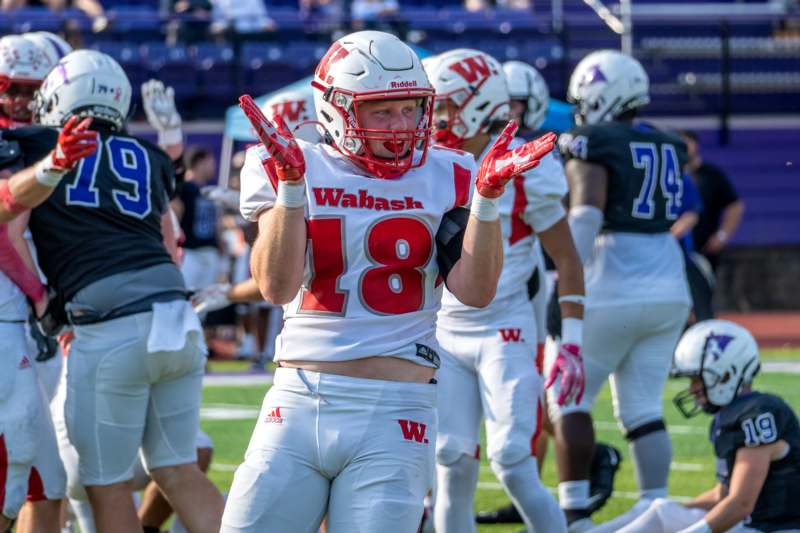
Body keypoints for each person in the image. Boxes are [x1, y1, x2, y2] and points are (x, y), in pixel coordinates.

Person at [222, 30, 557, 532]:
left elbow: (476, 291)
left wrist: (486, 202)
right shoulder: (297, 164)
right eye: (382, 111)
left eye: (410, 108)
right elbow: (276, 286)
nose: (401, 125)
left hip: (396, 410)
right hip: (296, 398)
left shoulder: (451, 172)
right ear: (335, 109)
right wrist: (291, 189)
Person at [1, 49, 225, 532]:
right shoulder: (148, 156)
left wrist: (44, 302)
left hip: (108, 324)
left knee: (107, 484)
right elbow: (169, 241)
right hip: (177, 318)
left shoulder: (36, 142)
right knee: (177, 469)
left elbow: (11, 231)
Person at [424, 48, 583, 533]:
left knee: (513, 459)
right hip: (443, 331)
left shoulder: (524, 167)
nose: (436, 119)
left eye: (446, 106)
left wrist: (571, 340)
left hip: (504, 328)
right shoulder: (424, 163)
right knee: (450, 462)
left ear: (478, 103)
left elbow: (568, 258)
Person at [553, 49, 692, 531]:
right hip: (669, 277)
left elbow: (587, 212)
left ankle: (573, 514)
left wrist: (561, 279)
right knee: (642, 408)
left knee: (568, 401)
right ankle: (655, 505)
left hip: (611, 276)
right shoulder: (670, 143)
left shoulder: (592, 141)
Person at [589, 319, 800, 533]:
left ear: (727, 374)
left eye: (697, 379)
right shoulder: (732, 415)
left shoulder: (760, 414)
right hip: (753, 526)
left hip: (778, 529)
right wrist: (675, 512)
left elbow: (740, 504)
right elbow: (723, 494)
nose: (692, 390)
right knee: (660, 509)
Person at [679, 130, 745, 273]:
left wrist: (721, 236)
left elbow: (735, 206)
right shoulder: (672, 174)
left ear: (696, 145)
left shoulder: (711, 175)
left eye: (686, 143)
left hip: (704, 249)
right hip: (676, 249)